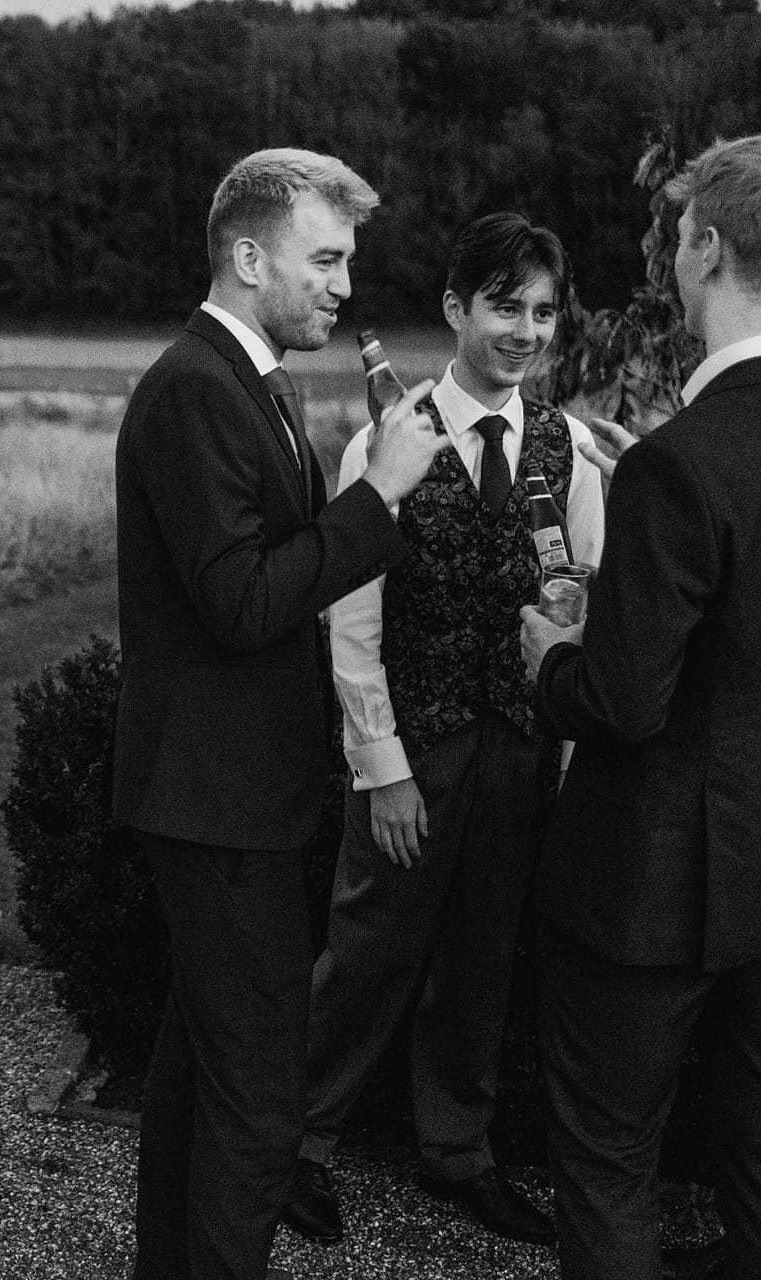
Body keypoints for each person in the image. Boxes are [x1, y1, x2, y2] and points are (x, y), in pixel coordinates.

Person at [519, 131, 761, 1280]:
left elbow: (624, 700)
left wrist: (550, 653)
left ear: (702, 248)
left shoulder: (678, 463)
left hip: (647, 885)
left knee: (608, 1162)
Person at [111, 147, 450, 1280]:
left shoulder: (253, 375)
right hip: (214, 802)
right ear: (249, 257)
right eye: (326, 257)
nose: (345, 282)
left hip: (236, 790)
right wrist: (379, 494)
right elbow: (243, 601)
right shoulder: (193, 388)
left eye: (346, 259)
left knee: (199, 1066)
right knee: (261, 1090)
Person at [283, 212, 602, 1251]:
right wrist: (384, 771)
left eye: (545, 310)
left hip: (517, 751)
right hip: (414, 750)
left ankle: (457, 1151)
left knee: (481, 957)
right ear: (456, 308)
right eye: (506, 305)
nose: (526, 330)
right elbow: (352, 623)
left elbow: (580, 611)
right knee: (367, 955)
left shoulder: (574, 448)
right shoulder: (388, 439)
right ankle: (296, 1143)